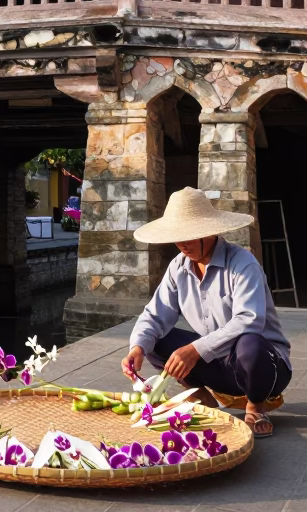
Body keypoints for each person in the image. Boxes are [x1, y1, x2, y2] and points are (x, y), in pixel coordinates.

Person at [120, 187, 291, 437]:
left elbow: (249, 320)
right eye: (177, 237)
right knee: (155, 339)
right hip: (219, 366)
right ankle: (201, 396)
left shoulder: (243, 263)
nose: (181, 244)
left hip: (265, 368)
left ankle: (255, 406)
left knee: (250, 344)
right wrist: (137, 348)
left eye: (189, 235)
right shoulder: (177, 267)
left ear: (209, 232)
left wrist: (194, 350)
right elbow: (154, 316)